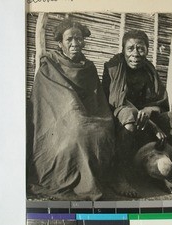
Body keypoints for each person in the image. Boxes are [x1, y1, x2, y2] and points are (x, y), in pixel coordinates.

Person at [26, 19, 115, 201]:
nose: (75, 44)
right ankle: (77, 181)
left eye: (79, 39)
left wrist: (87, 116)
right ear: (60, 43)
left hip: (88, 116)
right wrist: (73, 112)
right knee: (78, 131)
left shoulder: (89, 68)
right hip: (58, 120)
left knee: (103, 130)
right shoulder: (49, 65)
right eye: (69, 40)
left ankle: (95, 178)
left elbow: (96, 99)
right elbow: (48, 99)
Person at [102, 30, 172, 197]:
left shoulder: (149, 70)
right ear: (123, 49)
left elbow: (161, 103)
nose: (135, 54)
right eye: (130, 48)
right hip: (119, 114)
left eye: (141, 48)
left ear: (147, 50)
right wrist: (152, 125)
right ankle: (119, 176)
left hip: (145, 115)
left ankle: (157, 172)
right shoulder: (114, 66)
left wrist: (149, 110)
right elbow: (117, 100)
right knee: (130, 114)